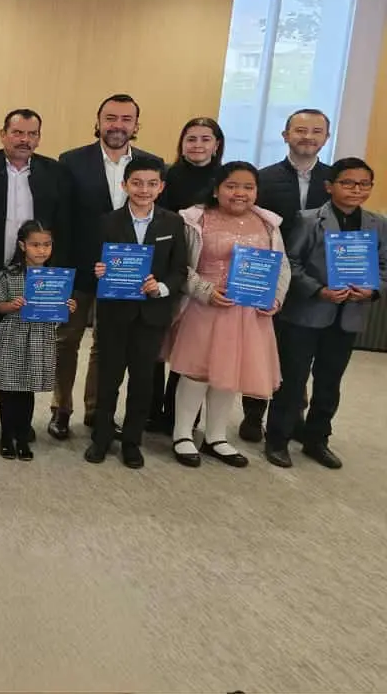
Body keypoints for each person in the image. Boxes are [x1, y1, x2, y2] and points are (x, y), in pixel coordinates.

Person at [0, 108, 69, 439]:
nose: (25, 140)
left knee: (25, 347)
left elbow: (64, 225)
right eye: (18, 133)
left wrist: (57, 278)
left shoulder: (54, 172)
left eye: (32, 134)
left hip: (34, 277)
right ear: (3, 134)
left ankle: (18, 422)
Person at [266, 157, 385, 470]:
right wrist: (318, 290)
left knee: (330, 382)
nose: (355, 189)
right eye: (347, 183)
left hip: (349, 316)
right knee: (292, 380)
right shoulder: (307, 219)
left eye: (363, 184)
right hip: (307, 312)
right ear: (330, 186)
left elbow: (383, 266)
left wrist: (373, 290)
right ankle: (278, 439)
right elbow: (291, 262)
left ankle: (317, 439)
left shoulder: (377, 224)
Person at [168, 161, 289, 468]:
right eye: (232, 186)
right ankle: (182, 434)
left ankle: (216, 436)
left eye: (248, 187)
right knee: (197, 371)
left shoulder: (268, 224)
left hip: (249, 313)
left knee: (229, 374)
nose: (240, 193)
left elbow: (282, 266)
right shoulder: (196, 219)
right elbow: (180, 265)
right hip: (205, 306)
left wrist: (275, 298)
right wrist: (204, 290)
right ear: (217, 189)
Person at [54, 93, 158, 440]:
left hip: (126, 275)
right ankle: (61, 409)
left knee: (106, 343)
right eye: (110, 118)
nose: (117, 125)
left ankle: (97, 410)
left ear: (136, 125)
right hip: (79, 267)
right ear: (98, 121)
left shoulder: (152, 163)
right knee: (66, 340)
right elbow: (62, 218)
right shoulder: (71, 161)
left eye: (126, 119)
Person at [84, 156, 189, 470]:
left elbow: (179, 269)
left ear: (161, 187)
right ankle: (101, 437)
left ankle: (132, 441)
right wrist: (99, 271)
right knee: (108, 379)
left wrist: (162, 287)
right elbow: (93, 265)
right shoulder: (107, 221)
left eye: (152, 183)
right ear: (124, 185)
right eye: (137, 182)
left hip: (152, 315)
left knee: (143, 381)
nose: (144, 189)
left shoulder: (172, 222)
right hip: (115, 312)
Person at [242, 108, 333, 443]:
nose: (307, 137)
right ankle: (253, 414)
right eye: (299, 130)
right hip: (267, 275)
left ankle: (293, 414)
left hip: (314, 281)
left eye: (316, 131)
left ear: (326, 137)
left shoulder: (334, 179)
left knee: (299, 353)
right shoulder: (263, 178)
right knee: (261, 346)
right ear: (285, 135)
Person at [151, 117, 226, 432]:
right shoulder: (164, 176)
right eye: (191, 138)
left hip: (205, 272)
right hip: (166, 266)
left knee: (191, 346)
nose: (197, 145)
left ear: (216, 144)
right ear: (181, 142)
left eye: (205, 139)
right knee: (156, 344)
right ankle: (152, 411)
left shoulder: (224, 179)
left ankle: (180, 416)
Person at [0, 220, 72, 462]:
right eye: (35, 245)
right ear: (23, 246)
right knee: (8, 390)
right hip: (13, 336)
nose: (41, 250)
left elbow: (59, 310)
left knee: (27, 391)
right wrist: (10, 305)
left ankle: (23, 436)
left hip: (39, 339)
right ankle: (6, 436)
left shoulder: (57, 277)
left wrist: (68, 306)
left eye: (46, 245)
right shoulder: (9, 273)